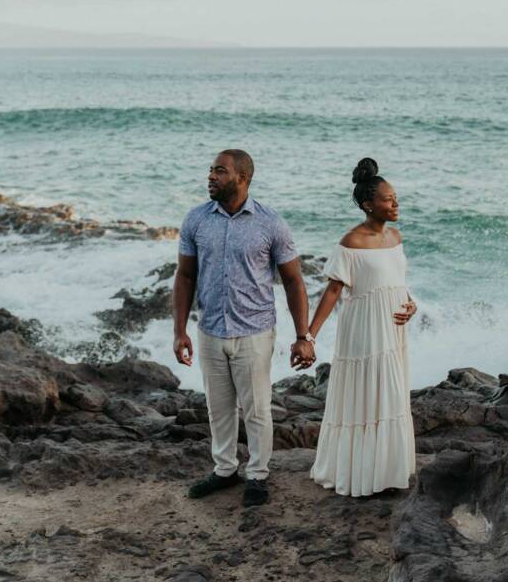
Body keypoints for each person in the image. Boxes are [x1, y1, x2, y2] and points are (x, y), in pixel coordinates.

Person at [173, 149, 316, 507]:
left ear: (242, 178)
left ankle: (258, 474)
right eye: (210, 170)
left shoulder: (271, 223)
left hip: (254, 332)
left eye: (219, 171)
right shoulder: (196, 219)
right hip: (210, 330)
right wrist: (180, 331)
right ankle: (224, 470)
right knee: (218, 408)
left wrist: (303, 336)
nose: (211, 176)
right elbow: (185, 276)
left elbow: (294, 281)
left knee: (257, 410)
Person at [308, 158, 417, 497]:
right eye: (388, 199)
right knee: (365, 395)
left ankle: (386, 472)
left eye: (395, 197)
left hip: (393, 330)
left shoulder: (395, 236)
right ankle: (359, 474)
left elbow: (396, 281)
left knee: (390, 394)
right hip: (364, 330)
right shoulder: (351, 242)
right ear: (369, 204)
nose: (395, 203)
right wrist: (308, 336)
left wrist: (411, 303)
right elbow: (333, 292)